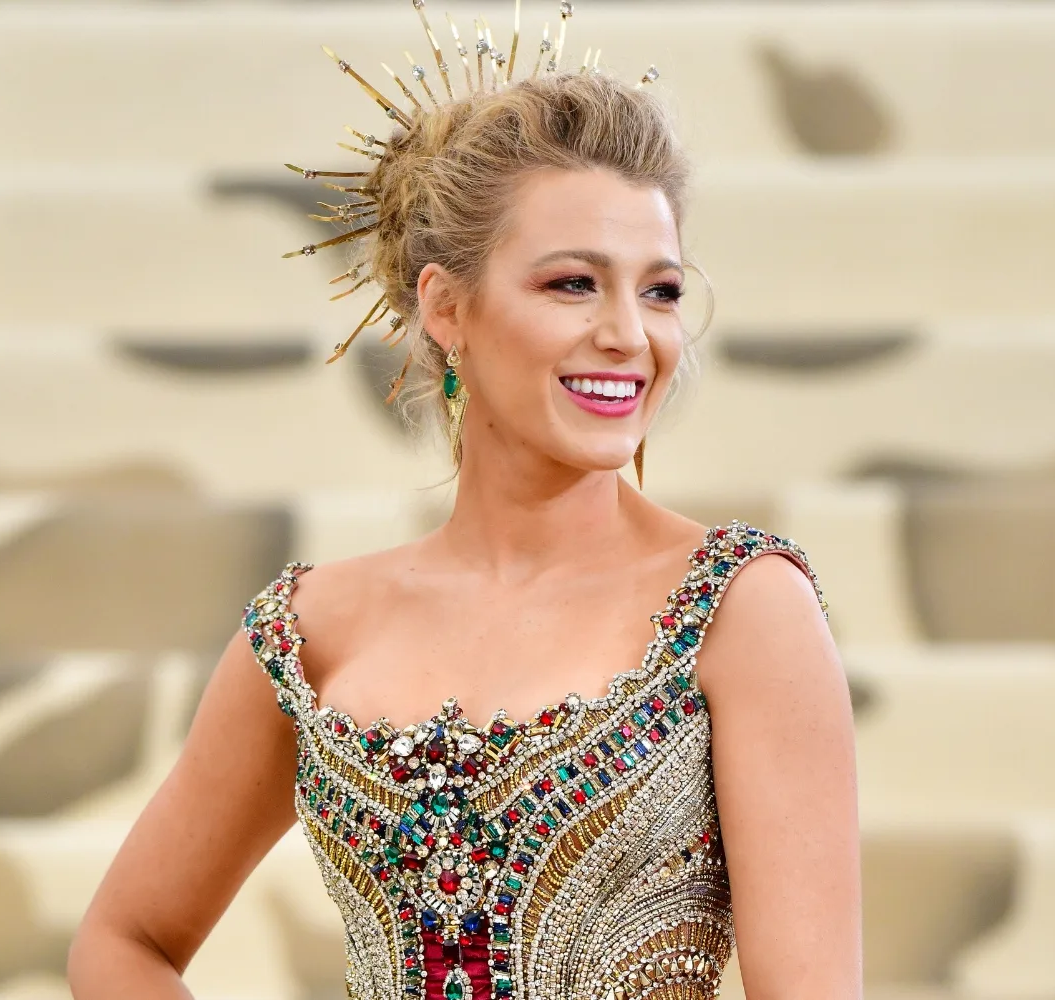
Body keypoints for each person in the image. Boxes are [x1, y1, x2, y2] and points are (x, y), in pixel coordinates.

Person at [68, 3, 862, 997]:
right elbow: (122, 942)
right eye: (574, 284)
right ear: (448, 309)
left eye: (659, 291)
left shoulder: (742, 608)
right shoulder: (311, 633)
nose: (630, 335)